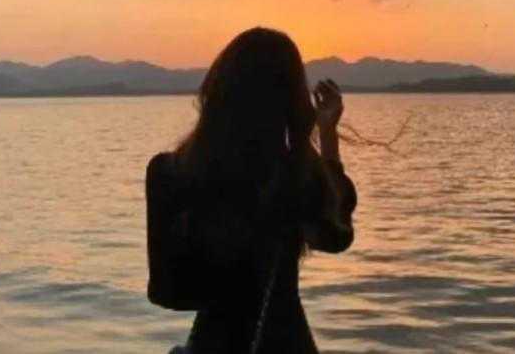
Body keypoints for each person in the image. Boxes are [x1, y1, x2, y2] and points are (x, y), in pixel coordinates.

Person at [145, 27, 357, 353]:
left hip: (212, 344)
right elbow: (335, 237)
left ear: (217, 89)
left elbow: (168, 293)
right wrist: (326, 138)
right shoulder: (294, 174)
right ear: (290, 100)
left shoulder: (170, 173)